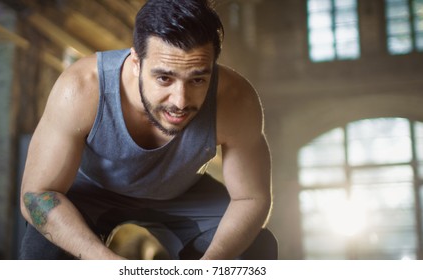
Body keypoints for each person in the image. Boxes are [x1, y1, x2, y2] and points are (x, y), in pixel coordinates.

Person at [19, 0, 277, 260]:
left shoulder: (235, 99)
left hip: (183, 195)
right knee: (44, 251)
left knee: (255, 247)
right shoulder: (81, 88)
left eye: (197, 79)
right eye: (164, 78)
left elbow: (250, 198)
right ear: (136, 62)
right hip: (92, 191)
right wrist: (104, 261)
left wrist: (210, 266)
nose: (180, 101)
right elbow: (36, 194)